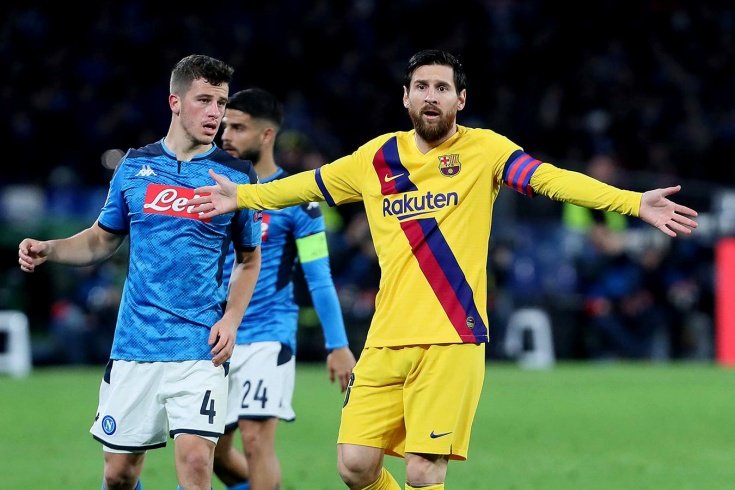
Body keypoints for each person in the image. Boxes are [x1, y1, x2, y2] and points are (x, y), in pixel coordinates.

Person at [186, 49, 699, 489]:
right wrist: (243, 196)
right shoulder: (375, 158)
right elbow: (306, 184)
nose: (431, 96)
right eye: (421, 87)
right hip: (387, 336)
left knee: (423, 471)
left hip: (452, 334)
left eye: (442, 88)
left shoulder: (485, 150)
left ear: (461, 100)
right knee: (355, 465)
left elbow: (553, 180)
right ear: (405, 97)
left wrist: (632, 202)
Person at [18, 54, 262, 490]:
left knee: (196, 464)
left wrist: (231, 320)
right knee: (119, 475)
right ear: (175, 102)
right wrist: (51, 249)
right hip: (136, 343)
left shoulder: (236, 176)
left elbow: (249, 258)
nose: (215, 113)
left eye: (221, 103)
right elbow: (101, 239)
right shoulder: (134, 167)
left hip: (200, 344)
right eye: (204, 100)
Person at [211, 88, 356, 490]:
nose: (226, 135)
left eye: (238, 128)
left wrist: (337, 344)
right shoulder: (211, 189)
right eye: (225, 126)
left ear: (267, 134)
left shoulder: (298, 200)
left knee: (256, 440)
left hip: (268, 335)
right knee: (212, 451)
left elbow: (319, 276)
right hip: (214, 334)